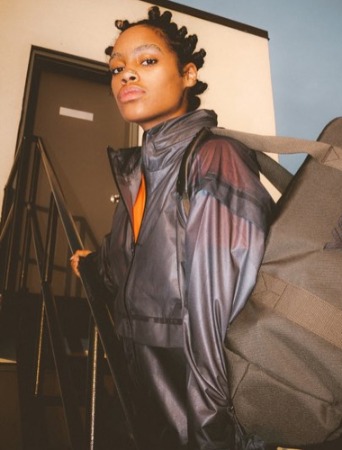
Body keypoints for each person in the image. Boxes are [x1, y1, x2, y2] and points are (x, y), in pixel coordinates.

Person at [71, 6, 273, 449]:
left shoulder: (215, 159)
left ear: (188, 74)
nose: (126, 75)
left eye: (147, 61)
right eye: (117, 68)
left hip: (199, 423)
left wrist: (210, 435)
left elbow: (216, 313)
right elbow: (130, 264)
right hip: (147, 413)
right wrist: (90, 264)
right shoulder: (138, 173)